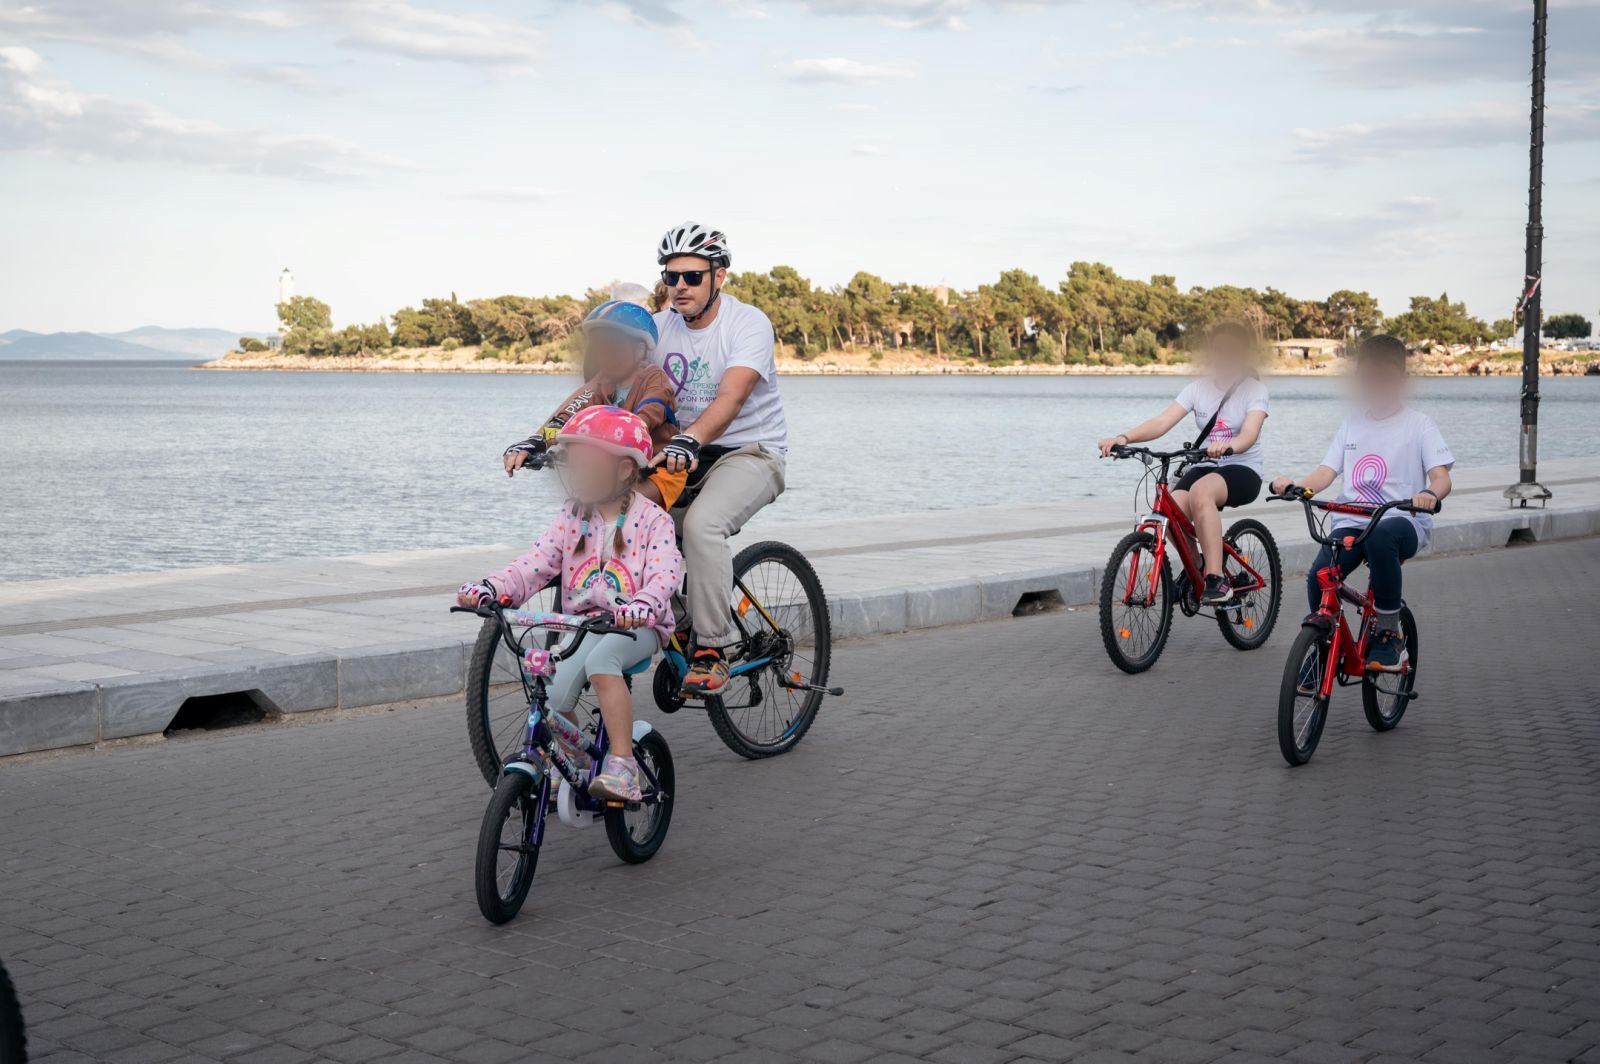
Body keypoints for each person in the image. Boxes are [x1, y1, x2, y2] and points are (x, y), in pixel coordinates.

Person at [460, 406, 683, 801]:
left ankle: (623, 765)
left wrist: (644, 604)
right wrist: (492, 587)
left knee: (602, 664)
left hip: (638, 625)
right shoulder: (571, 516)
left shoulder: (653, 520)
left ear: (624, 470)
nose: (578, 476)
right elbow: (535, 563)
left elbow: (665, 573)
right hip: (585, 625)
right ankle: (578, 759)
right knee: (552, 695)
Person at [649, 221, 789, 695]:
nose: (680, 287)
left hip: (752, 451)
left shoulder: (747, 323)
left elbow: (732, 396)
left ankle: (713, 648)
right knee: (627, 523)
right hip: (682, 456)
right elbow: (615, 382)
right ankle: (679, 621)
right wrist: (553, 434)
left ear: (719, 277)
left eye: (692, 276)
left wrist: (690, 439)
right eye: (671, 277)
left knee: (701, 526)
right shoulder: (658, 327)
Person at [1269, 334, 1453, 673]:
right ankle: (1324, 647)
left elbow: (1441, 477)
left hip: (1403, 521)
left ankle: (1388, 634)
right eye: (1369, 378)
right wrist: (1296, 486)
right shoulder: (1351, 423)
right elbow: (1325, 472)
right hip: (1352, 521)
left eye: (1385, 378)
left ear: (1403, 379)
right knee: (1320, 576)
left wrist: (1429, 494)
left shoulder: (1419, 425)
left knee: (1382, 536)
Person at [1097, 321, 1269, 605]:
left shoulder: (1254, 390)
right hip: (1206, 465)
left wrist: (1229, 446)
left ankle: (1216, 578)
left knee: (1201, 492)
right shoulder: (1198, 389)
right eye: (1218, 349)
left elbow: (1250, 434)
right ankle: (1197, 566)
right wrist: (1123, 438)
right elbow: (1162, 421)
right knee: (1172, 509)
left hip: (1243, 468)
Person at [503, 300, 688, 510]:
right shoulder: (604, 380)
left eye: (614, 347)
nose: (607, 356)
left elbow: (645, 419)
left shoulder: (654, 378)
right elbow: (570, 411)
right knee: (580, 509)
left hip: (659, 470)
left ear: (639, 350)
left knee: (614, 506)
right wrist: (538, 441)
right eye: (600, 349)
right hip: (617, 471)